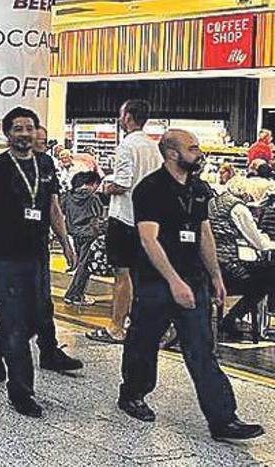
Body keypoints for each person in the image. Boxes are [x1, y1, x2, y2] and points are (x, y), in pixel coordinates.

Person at [117, 129, 265, 441]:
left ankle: (223, 418)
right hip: (156, 282)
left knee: (202, 350)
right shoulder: (151, 189)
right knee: (143, 343)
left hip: (193, 280)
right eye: (192, 148)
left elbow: (204, 234)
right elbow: (148, 239)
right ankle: (132, 393)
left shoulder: (198, 189)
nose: (198, 153)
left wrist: (215, 276)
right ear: (172, 153)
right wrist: (173, 282)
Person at [0, 106, 80, 417]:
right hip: (5, 257)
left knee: (40, 319)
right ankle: (21, 391)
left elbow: (53, 208)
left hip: (37, 255)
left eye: (29, 128)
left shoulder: (46, 163)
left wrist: (66, 243)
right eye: (18, 129)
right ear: (8, 133)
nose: (25, 134)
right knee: (13, 324)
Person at [87, 100, 162, 345]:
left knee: (122, 274)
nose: (120, 119)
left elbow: (123, 183)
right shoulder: (153, 147)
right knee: (140, 275)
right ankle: (136, 323)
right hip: (147, 220)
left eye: (121, 115)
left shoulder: (127, 145)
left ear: (128, 117)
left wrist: (106, 186)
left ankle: (116, 327)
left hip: (123, 217)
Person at [208, 177, 275, 340]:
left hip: (212, 266)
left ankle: (232, 319)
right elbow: (258, 242)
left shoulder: (214, 203)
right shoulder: (238, 208)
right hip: (230, 269)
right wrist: (269, 241)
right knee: (267, 278)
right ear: (246, 194)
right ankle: (232, 318)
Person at [62, 171, 108, 306]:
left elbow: (61, 211)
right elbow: (97, 217)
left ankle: (76, 294)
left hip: (74, 233)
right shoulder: (93, 198)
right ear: (92, 183)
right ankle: (74, 295)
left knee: (81, 265)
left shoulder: (68, 196)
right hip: (89, 235)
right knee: (84, 266)